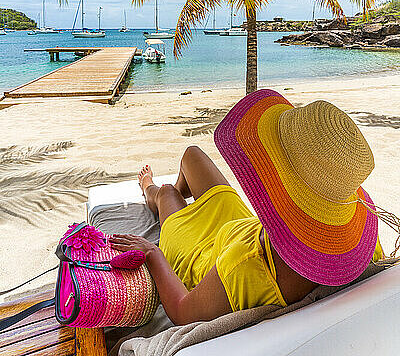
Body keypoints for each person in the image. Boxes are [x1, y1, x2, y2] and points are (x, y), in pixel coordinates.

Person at [110, 89, 384, 325]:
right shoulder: (361, 248)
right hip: (248, 229)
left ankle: (150, 190)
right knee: (192, 155)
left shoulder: (244, 267)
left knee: (166, 192)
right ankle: (182, 196)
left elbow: (183, 311)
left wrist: (152, 252)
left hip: (207, 255)